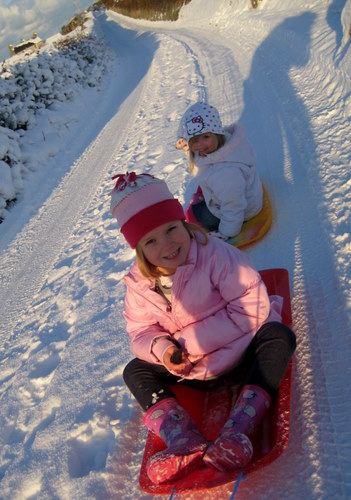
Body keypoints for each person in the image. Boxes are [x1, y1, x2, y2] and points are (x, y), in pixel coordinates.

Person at [109, 171, 296, 485]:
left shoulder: (216, 257)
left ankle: (238, 430)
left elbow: (251, 307)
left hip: (239, 356)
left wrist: (188, 344)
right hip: (191, 372)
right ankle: (184, 438)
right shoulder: (139, 285)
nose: (166, 245)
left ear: (183, 222)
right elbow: (140, 331)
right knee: (134, 371)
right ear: (138, 249)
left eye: (170, 230)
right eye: (151, 241)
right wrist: (163, 349)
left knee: (278, 336)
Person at [176, 101, 263, 239]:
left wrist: (226, 234)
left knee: (194, 215)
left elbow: (233, 208)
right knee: (210, 186)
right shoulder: (225, 145)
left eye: (205, 137)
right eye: (194, 141)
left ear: (216, 133)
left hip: (243, 211)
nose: (200, 145)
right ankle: (210, 195)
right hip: (240, 194)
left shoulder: (225, 174)